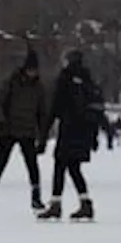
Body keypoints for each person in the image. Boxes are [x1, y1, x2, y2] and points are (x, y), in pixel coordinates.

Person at [0, 48, 47, 214]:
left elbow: (42, 112)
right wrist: (1, 121)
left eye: (35, 70)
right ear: (25, 69)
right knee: (0, 163)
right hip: (9, 129)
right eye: (31, 70)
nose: (33, 73)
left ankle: (36, 197)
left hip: (27, 130)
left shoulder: (38, 87)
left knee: (32, 165)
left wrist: (42, 134)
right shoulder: (12, 82)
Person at [40, 50, 103, 221]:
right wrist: (95, 134)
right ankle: (85, 203)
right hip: (84, 131)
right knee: (74, 167)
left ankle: (56, 204)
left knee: (60, 165)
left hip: (68, 128)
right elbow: (97, 109)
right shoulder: (88, 80)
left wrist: (44, 134)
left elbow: (55, 106)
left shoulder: (65, 78)